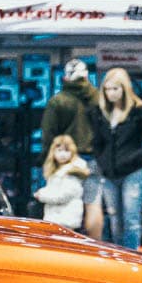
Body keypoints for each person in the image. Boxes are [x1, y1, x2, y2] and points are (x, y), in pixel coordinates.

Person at [93, 67, 142, 252]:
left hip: (133, 172)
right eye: (107, 89)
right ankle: (119, 256)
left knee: (131, 218)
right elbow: (96, 142)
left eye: (115, 89)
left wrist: (135, 158)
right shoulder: (100, 112)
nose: (111, 93)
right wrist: (102, 162)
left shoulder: (138, 111)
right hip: (109, 173)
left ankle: (131, 255)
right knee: (114, 218)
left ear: (125, 89)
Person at [40, 57, 104, 236]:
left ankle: (64, 246)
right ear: (87, 77)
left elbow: (48, 133)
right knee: (93, 205)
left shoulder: (58, 101)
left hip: (65, 161)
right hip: (93, 159)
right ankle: (96, 246)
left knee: (63, 207)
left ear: (65, 78)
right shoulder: (98, 99)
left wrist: (46, 160)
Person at [35, 134, 92, 231]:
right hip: (56, 219)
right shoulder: (56, 170)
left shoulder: (73, 171)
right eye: (59, 150)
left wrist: (41, 195)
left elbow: (63, 196)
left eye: (66, 150)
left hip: (65, 219)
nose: (63, 154)